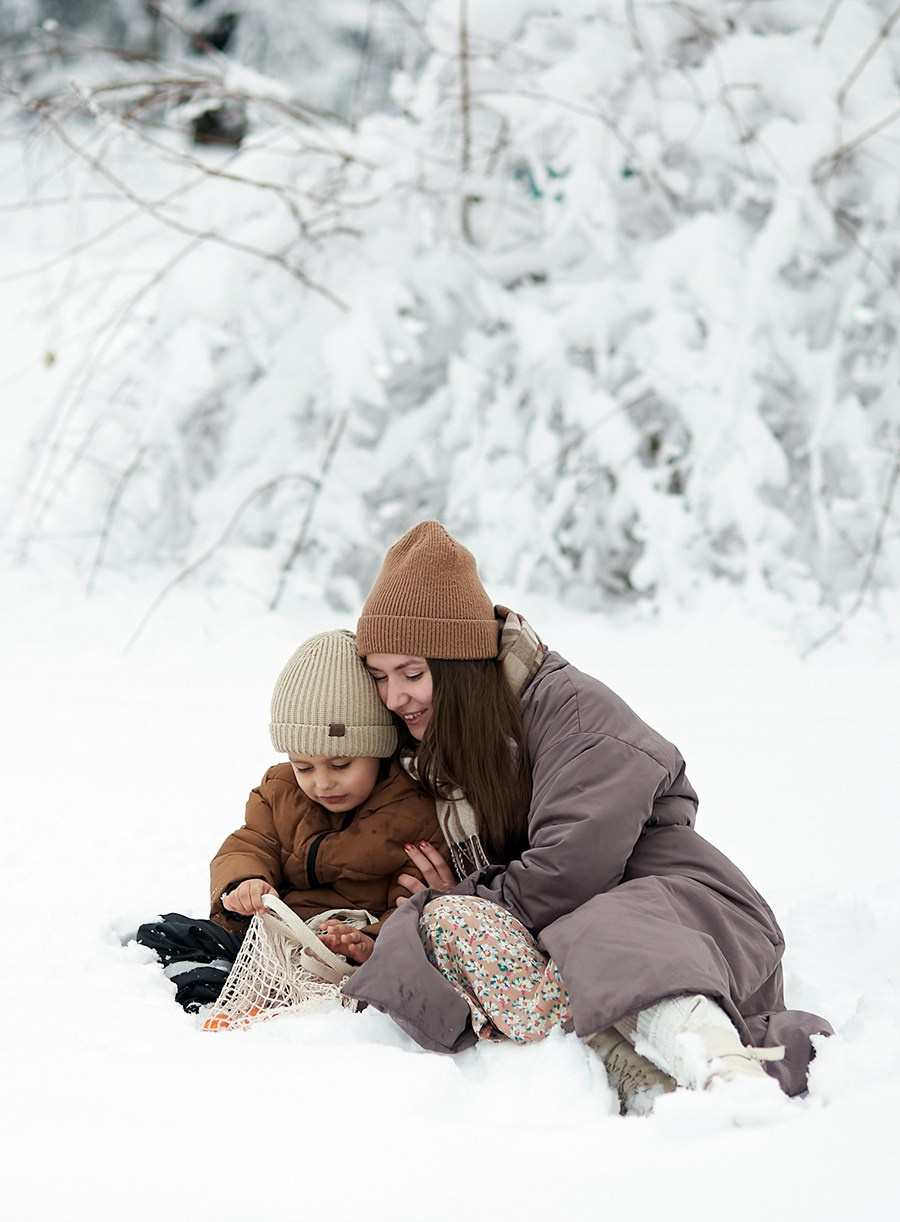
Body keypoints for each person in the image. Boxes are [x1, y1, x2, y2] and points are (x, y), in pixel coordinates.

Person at [342, 521, 833, 1112]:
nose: (395, 697)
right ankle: (623, 1065)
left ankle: (720, 1070)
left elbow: (566, 874)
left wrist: (472, 892)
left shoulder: (574, 714)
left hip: (678, 909)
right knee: (442, 923)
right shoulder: (448, 744)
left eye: (412, 673)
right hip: (569, 924)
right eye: (379, 677)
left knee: (602, 932)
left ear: (461, 664)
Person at [136, 629, 447, 1012]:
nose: (322, 782)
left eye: (340, 764)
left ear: (379, 751)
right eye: (304, 766)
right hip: (275, 937)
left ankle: (245, 992)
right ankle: (215, 984)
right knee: (165, 930)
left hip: (339, 949)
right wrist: (244, 882)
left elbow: (410, 903)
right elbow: (250, 842)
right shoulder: (280, 789)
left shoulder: (413, 810)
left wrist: (366, 940)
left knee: (372, 980)